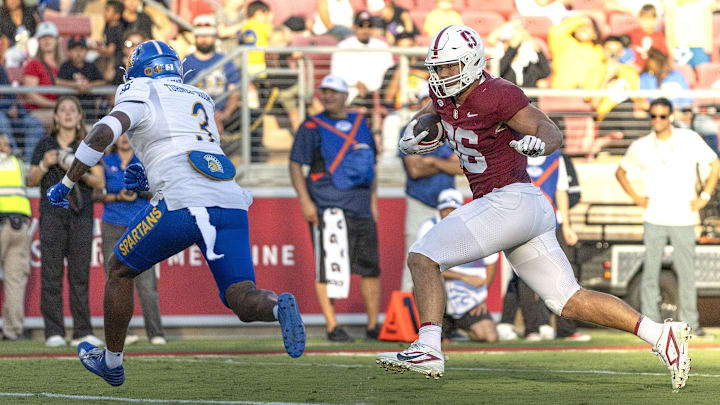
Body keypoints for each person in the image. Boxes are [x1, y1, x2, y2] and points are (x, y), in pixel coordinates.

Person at [376, 26, 693, 391]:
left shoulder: (497, 93)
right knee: (569, 300)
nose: (442, 75)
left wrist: (539, 144)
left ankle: (429, 346)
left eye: (450, 67)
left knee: (423, 257)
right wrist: (418, 129)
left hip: (508, 200)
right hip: (518, 206)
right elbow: (431, 111)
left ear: (472, 62)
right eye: (439, 68)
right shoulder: (442, 92)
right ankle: (660, 335)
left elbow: (549, 129)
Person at [45, 40, 305, 386]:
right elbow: (181, 140)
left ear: (139, 68)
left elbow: (104, 132)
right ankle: (277, 307)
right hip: (229, 201)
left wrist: (67, 180)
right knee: (241, 297)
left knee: (119, 269)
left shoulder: (140, 87)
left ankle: (111, 361)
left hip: (186, 201)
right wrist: (143, 168)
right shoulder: (199, 96)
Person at [615, 97, 720, 338]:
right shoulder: (641, 145)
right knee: (650, 273)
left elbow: (715, 164)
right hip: (654, 217)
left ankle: (691, 325)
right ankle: (651, 328)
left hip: (683, 217)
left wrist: (704, 195)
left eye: (662, 116)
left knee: (687, 274)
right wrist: (637, 198)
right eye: (653, 116)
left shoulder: (689, 139)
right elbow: (620, 172)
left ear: (670, 116)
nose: (657, 120)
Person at [289, 75, 381, 342]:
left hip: (361, 206)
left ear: (345, 96)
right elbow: (295, 164)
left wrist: (373, 201)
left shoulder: (360, 123)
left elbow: (371, 165)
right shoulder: (311, 126)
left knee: (369, 267)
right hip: (327, 206)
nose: (327, 96)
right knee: (327, 268)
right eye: (324, 92)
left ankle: (373, 326)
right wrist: (305, 201)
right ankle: (332, 325)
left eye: (333, 92)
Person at [27, 96, 105, 348]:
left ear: (80, 116)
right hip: (51, 216)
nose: (69, 114)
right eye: (63, 110)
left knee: (80, 275)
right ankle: (54, 332)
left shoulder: (88, 145)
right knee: (51, 274)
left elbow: (99, 182)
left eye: (73, 110)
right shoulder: (44, 144)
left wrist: (75, 166)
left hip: (81, 216)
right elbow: (30, 180)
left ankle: (82, 331)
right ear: (56, 117)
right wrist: (44, 163)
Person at [97, 133, 166, 346]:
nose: (125, 138)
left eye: (129, 134)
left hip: (140, 225)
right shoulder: (106, 162)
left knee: (147, 283)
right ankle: (123, 334)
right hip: (112, 224)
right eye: (121, 134)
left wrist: (139, 190)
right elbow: (96, 194)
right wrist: (117, 196)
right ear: (115, 138)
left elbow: (159, 190)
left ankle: (156, 333)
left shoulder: (145, 160)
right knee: (114, 281)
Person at [397, 87, 462, 291]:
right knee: (414, 260)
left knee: (445, 261)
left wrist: (432, 161)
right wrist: (444, 163)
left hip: (446, 205)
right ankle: (408, 317)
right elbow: (415, 169)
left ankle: (443, 318)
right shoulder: (409, 130)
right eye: (427, 100)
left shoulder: (451, 130)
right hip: (420, 201)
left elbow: (461, 167)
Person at [419, 188, 498, 343]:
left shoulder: (476, 229)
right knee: (430, 283)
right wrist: (463, 276)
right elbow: (425, 268)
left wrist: (480, 297)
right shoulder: (428, 228)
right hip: (441, 293)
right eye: (445, 209)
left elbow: (491, 263)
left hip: (465, 296)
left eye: (452, 210)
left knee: (489, 336)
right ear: (438, 210)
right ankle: (441, 330)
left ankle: (460, 329)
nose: (448, 214)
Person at [0, 133, 31, 341]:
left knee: (14, 282)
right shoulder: (19, 164)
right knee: (14, 282)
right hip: (20, 226)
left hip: (3, 222)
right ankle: (12, 331)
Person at [330, 11, 394, 110]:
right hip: (351, 94)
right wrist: (355, 83)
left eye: (369, 26)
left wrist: (373, 89)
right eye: (361, 26)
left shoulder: (382, 46)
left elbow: (389, 73)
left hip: (378, 95)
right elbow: (336, 74)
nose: (365, 30)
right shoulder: (343, 46)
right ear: (354, 27)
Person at [57, 36, 106, 120]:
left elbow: (102, 81)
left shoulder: (91, 66)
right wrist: (75, 85)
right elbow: (58, 81)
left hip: (89, 108)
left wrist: (89, 86)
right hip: (70, 109)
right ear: (69, 52)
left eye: (81, 50)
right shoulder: (65, 66)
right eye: (75, 50)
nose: (78, 53)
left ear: (86, 52)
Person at [625, 4, 667, 68]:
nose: (645, 21)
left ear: (655, 20)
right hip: (633, 68)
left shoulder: (659, 37)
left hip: (651, 71)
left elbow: (663, 57)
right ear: (638, 19)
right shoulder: (632, 33)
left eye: (648, 18)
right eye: (642, 18)